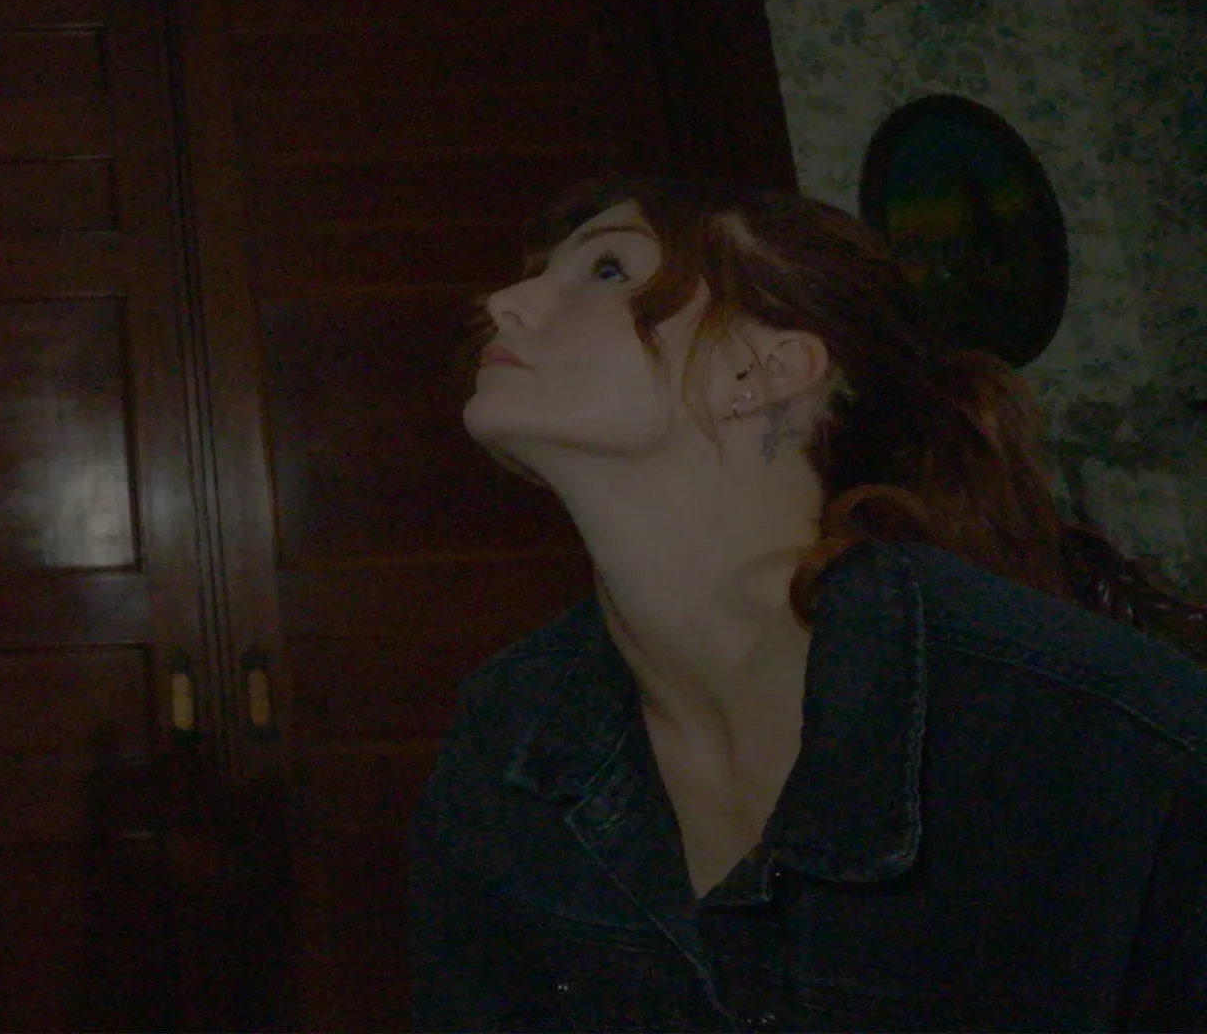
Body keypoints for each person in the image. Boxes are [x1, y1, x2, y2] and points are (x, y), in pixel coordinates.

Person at [410, 178, 1207, 1031]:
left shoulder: (1098, 736)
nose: (506, 302)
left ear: (769, 370)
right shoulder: (510, 733)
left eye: (607, 270)